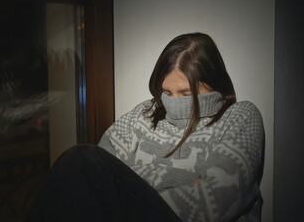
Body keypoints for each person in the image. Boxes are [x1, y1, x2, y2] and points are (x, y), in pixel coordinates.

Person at [26, 32, 265, 222]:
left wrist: (137, 185)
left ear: (214, 84)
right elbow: (100, 181)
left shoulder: (240, 116)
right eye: (167, 92)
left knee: (81, 160)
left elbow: (218, 199)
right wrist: (186, 180)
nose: (174, 102)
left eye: (185, 93)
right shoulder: (144, 113)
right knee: (79, 160)